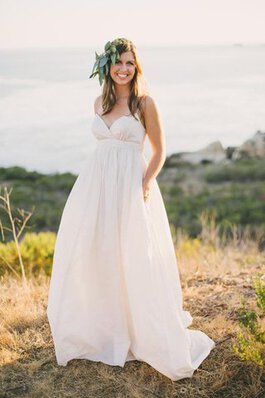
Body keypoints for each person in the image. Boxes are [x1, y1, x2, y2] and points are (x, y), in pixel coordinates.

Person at [46, 37, 215, 381]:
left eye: (129, 63)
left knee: (135, 257)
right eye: (118, 62)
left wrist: (145, 183)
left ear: (136, 67)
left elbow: (159, 151)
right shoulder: (99, 101)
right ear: (107, 66)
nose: (124, 69)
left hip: (131, 188)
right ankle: (105, 329)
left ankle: (141, 331)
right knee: (97, 254)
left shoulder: (144, 104)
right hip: (96, 187)